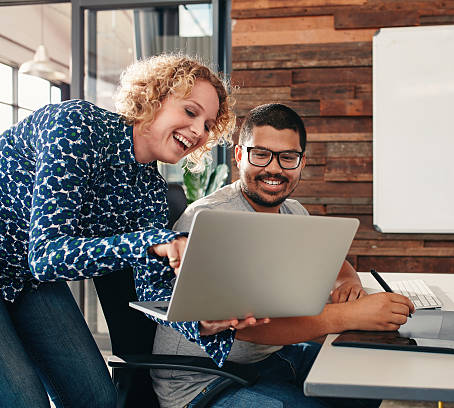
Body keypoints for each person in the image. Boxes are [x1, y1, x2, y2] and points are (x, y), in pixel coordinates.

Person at [0, 54, 262, 408]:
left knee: (96, 398)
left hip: (26, 279)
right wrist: (152, 241)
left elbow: (153, 290)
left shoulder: (151, 193)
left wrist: (201, 322)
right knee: (24, 401)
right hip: (32, 265)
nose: (199, 131)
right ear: (153, 98)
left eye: (208, 124)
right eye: (190, 111)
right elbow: (47, 256)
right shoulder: (77, 125)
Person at [151, 103, 415, 408]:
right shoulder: (210, 219)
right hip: (205, 381)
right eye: (261, 154)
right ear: (239, 156)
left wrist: (346, 282)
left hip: (273, 359)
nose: (274, 169)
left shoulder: (293, 211)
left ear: (301, 162)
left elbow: (331, 259)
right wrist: (347, 316)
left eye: (288, 157)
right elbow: (245, 326)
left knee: (364, 383)